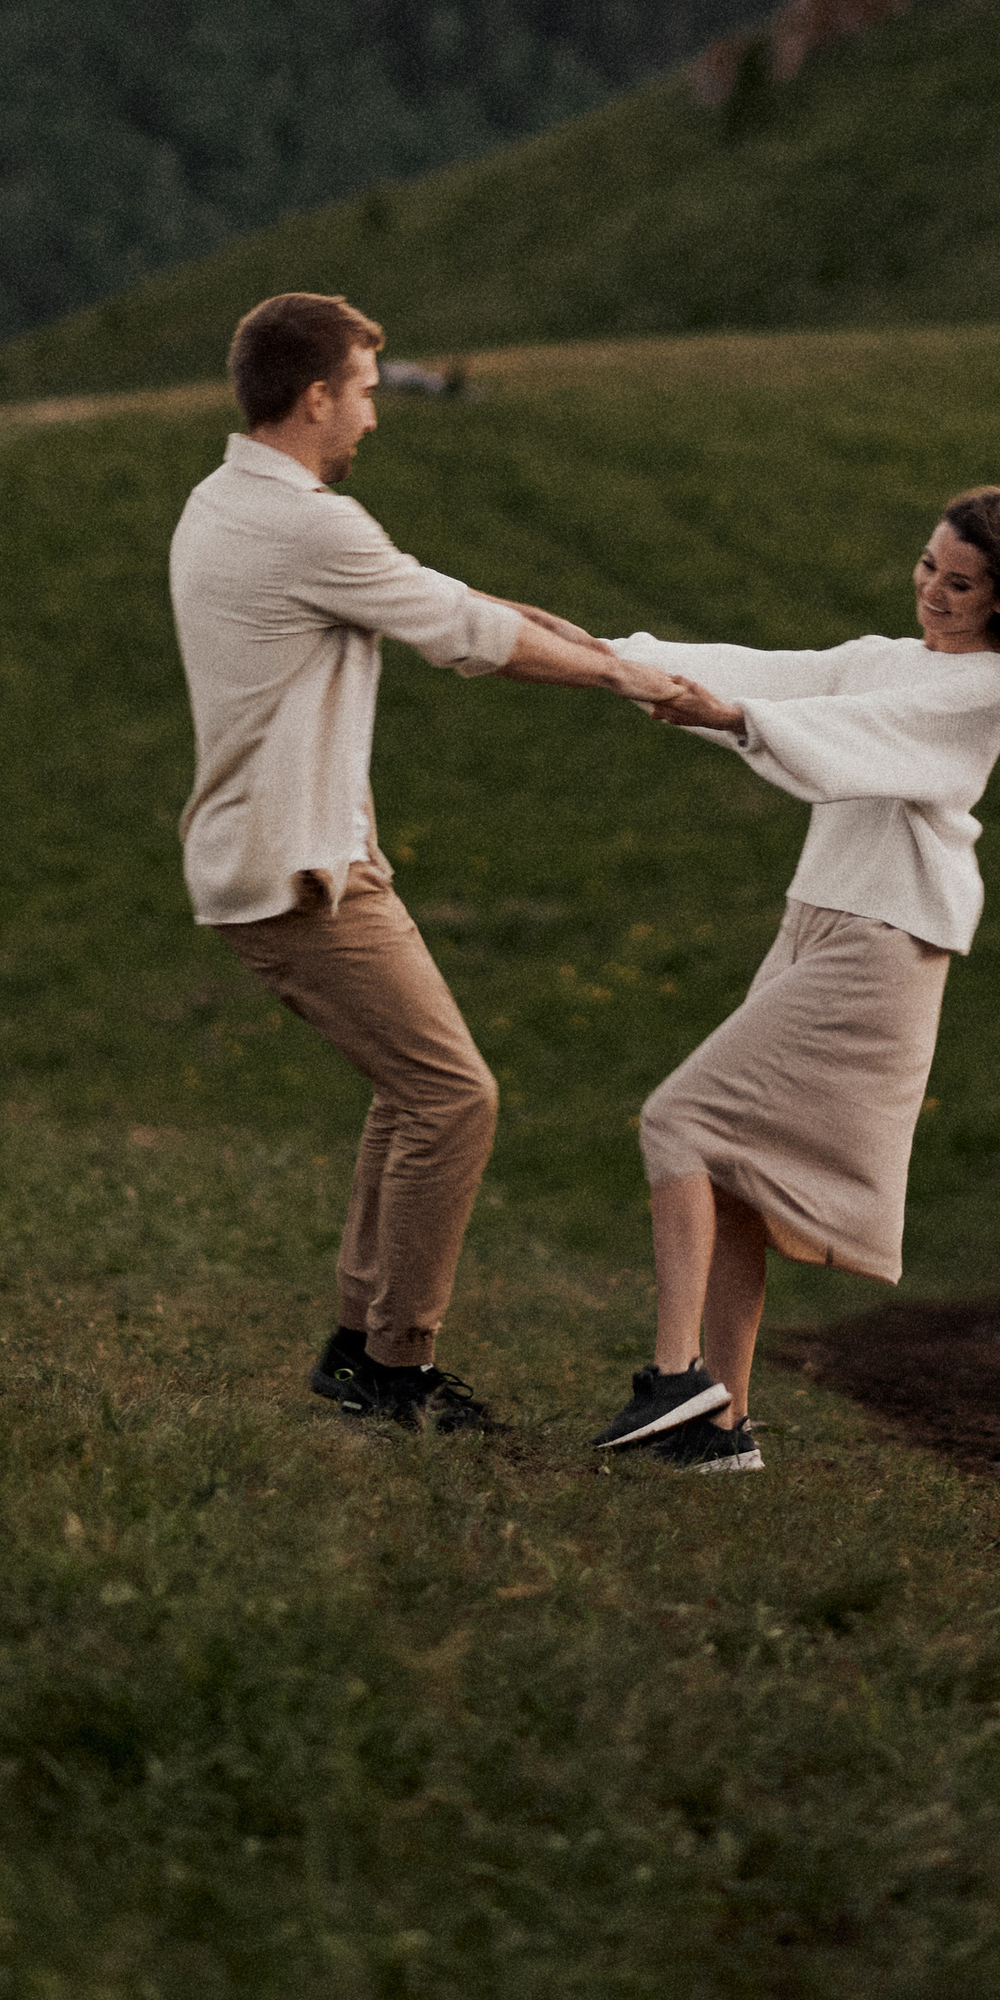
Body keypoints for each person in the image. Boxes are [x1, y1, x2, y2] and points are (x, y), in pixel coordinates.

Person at [591, 486, 1000, 1472]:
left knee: (677, 1122)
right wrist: (606, 654)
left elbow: (837, 738)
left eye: (961, 582)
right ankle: (719, 1433)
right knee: (728, 1181)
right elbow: (776, 676)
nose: (934, 590)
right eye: (929, 566)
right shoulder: (886, 658)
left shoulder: (979, 691)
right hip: (816, 921)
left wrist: (730, 715)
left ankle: (679, 1381)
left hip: (880, 941)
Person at [169, 290, 679, 1433]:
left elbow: (440, 596)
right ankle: (395, 1369)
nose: (373, 415)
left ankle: (361, 1349)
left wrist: (587, 638)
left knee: (413, 1092)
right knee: (452, 1097)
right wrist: (621, 678)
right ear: (314, 399)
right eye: (361, 391)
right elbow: (466, 636)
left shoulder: (227, 501)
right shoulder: (306, 525)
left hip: (308, 857)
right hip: (297, 876)